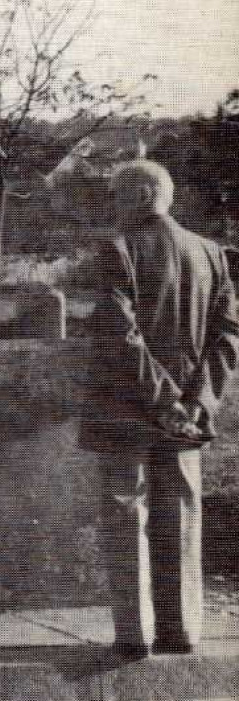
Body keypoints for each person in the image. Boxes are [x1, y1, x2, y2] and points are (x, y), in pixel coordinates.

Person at [81, 159, 239, 658]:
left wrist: (164, 400)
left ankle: (134, 635)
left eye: (113, 195)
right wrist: (195, 403)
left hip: (126, 410)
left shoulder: (117, 251)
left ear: (139, 197)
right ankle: (182, 630)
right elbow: (228, 336)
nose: (109, 206)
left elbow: (119, 335)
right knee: (180, 518)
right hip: (187, 417)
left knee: (126, 516)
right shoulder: (212, 254)